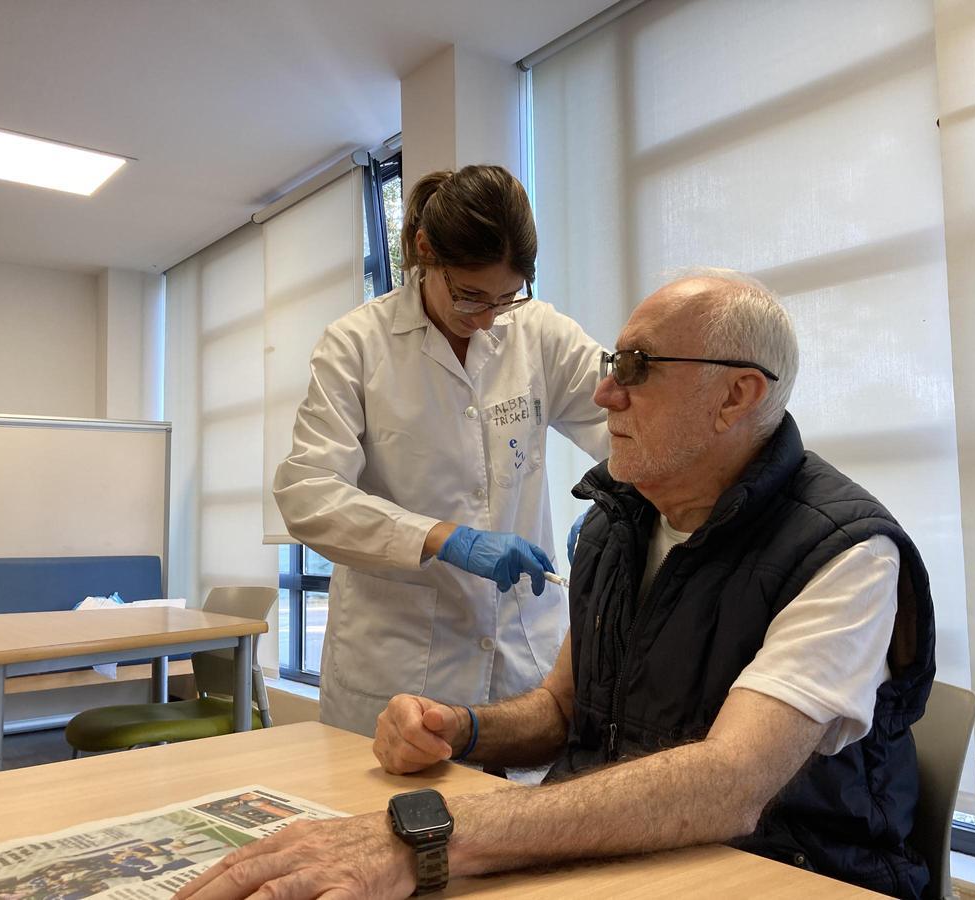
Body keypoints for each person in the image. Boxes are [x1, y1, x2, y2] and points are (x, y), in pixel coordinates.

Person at [180, 271, 936, 900]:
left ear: (735, 397)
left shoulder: (847, 553)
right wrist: (460, 727)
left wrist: (430, 833)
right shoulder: (620, 523)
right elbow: (564, 709)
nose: (606, 397)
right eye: (614, 365)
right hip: (630, 858)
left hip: (781, 870)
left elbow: (732, 784)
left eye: (636, 369)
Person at [273, 164, 609, 738]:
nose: (485, 319)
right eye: (469, 295)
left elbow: (627, 417)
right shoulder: (356, 346)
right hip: (399, 668)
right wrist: (442, 538)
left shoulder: (539, 331)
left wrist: (618, 497)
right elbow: (309, 493)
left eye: (505, 299)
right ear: (425, 252)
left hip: (523, 660)